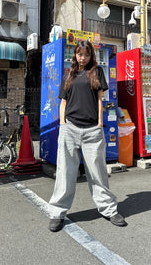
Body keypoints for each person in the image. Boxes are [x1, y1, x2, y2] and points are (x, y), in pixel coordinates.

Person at [48, 40, 127, 232]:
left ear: (91, 56)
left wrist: (100, 123)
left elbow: (100, 99)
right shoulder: (69, 75)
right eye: (79, 54)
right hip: (70, 128)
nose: (82, 58)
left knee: (98, 173)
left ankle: (108, 209)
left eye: (86, 54)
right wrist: (62, 123)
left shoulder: (97, 72)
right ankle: (57, 212)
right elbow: (63, 103)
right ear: (75, 55)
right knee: (65, 173)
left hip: (93, 130)